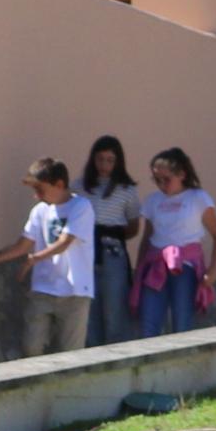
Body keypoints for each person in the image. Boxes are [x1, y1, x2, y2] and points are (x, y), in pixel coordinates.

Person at [0, 157, 99, 356]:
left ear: (59, 185)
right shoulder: (39, 211)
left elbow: (64, 242)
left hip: (74, 292)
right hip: (43, 289)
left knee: (71, 354)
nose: (36, 196)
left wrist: (33, 259)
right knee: (31, 347)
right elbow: (23, 245)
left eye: (40, 189)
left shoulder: (81, 207)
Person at [132, 149, 216, 338]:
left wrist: (214, 267)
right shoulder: (152, 201)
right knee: (149, 324)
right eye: (157, 180)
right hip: (155, 267)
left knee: (182, 324)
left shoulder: (198, 198)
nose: (162, 185)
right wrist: (139, 270)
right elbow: (147, 239)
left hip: (185, 267)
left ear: (182, 174)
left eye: (167, 179)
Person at [74, 135, 143, 347]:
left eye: (109, 160)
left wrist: (113, 236)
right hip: (86, 254)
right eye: (100, 159)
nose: (104, 165)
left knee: (114, 309)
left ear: (117, 162)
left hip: (113, 252)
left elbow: (133, 226)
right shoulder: (79, 187)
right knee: (90, 312)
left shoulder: (127, 190)